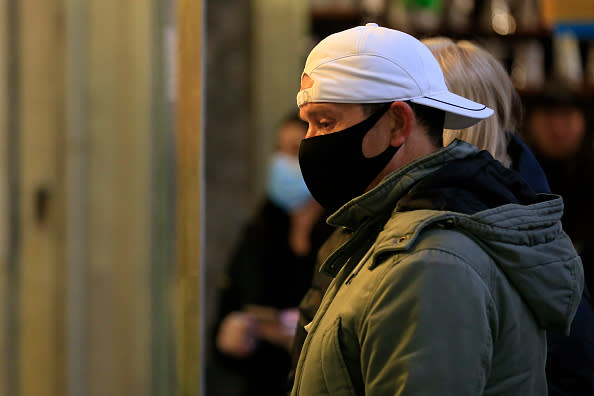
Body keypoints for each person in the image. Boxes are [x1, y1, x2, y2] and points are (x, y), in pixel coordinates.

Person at [290, 23, 584, 395]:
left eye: (326, 122)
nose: (311, 142)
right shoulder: (387, 236)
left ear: (397, 123)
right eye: (310, 124)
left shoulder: (429, 263)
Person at [423, 37, 594, 396]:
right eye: (549, 116)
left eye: (569, 116)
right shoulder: (513, 192)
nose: (559, 128)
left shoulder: (508, 214)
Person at [210, 114, 333, 396]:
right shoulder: (259, 231)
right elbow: (226, 317)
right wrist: (231, 336)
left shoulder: (343, 233)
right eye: (278, 150)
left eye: (292, 151)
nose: (280, 162)